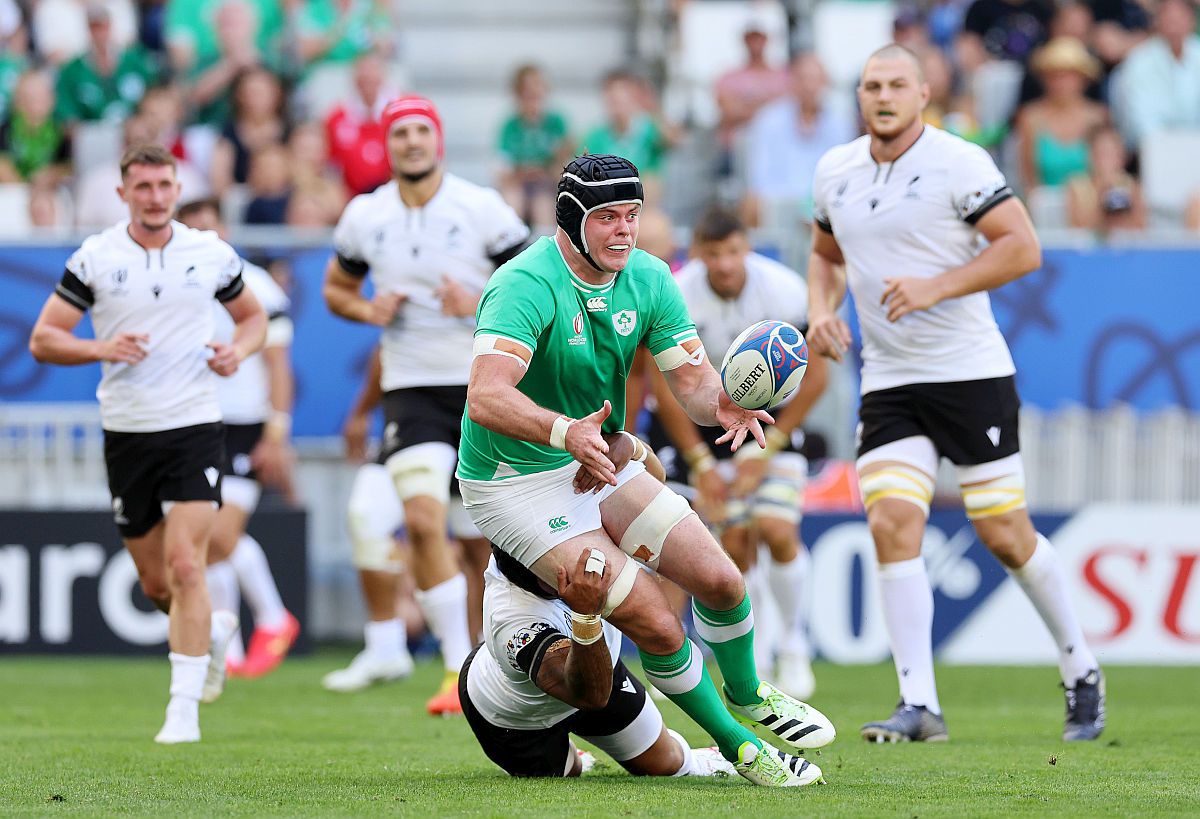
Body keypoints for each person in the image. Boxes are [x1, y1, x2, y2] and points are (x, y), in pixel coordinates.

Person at [456, 152, 834, 788]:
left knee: (721, 581)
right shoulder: (523, 282)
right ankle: (740, 746)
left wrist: (722, 402)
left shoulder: (651, 277)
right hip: (512, 482)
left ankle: (747, 692)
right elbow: (485, 394)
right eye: (607, 217)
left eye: (631, 215)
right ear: (572, 220)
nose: (624, 230)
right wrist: (562, 430)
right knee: (655, 619)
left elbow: (689, 379)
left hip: (596, 457)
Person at [806, 44, 1105, 743]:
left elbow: (1022, 246)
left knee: (1005, 533)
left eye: (896, 84)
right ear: (860, 95)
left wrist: (935, 286)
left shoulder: (960, 161)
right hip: (889, 379)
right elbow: (824, 255)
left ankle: (1080, 665)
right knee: (890, 523)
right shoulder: (835, 171)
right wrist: (822, 310)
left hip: (969, 372)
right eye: (871, 84)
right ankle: (919, 704)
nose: (882, 95)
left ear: (923, 92)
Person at [28, 143, 267, 743]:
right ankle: (209, 633)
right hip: (127, 432)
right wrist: (99, 348)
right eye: (144, 187)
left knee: (188, 563)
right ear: (123, 193)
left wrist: (237, 351)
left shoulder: (207, 252)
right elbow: (43, 339)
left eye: (165, 186)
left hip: (192, 426)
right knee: (158, 585)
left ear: (176, 188)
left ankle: (181, 711)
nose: (156, 197)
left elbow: (253, 319)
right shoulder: (96, 258)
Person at [322, 94, 530, 715]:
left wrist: (479, 299)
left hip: (484, 385)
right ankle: (450, 667)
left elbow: (539, 283)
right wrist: (366, 309)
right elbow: (337, 288)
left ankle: (496, 661)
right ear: (387, 144)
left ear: (436, 139)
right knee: (415, 520)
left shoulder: (480, 208)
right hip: (410, 390)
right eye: (401, 133)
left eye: (422, 130)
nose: (412, 141)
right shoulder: (364, 216)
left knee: (479, 545)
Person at [651, 207, 828, 700]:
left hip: (774, 424)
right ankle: (757, 653)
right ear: (699, 255)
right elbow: (662, 387)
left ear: (747, 247)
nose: (725, 264)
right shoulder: (679, 294)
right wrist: (702, 463)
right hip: (704, 429)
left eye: (733, 251)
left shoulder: (785, 291)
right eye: (713, 254)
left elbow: (816, 375)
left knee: (775, 529)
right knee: (730, 544)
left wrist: (765, 450)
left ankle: (795, 643)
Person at [461, 530, 734, 779]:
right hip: (519, 716)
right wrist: (586, 615)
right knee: (566, 773)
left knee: (669, 764)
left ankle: (717, 755)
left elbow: (650, 479)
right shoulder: (511, 618)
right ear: (532, 567)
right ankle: (573, 758)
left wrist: (615, 472)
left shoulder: (563, 523)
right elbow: (591, 695)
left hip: (597, 664)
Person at [321, 346, 492, 696]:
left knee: (478, 546)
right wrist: (361, 411)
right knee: (372, 516)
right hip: (413, 404)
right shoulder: (390, 293)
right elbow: (382, 332)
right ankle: (392, 649)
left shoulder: (501, 290)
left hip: (480, 396)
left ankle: (484, 655)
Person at [178, 198, 301, 683]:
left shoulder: (256, 284)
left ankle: (272, 619)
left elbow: (277, 364)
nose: (201, 238)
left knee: (220, 536)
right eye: (192, 230)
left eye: (208, 228)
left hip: (244, 425)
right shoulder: (176, 284)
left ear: (223, 230)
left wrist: (276, 431)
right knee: (203, 537)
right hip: (191, 421)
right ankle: (225, 646)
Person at [739, 53, 855, 229]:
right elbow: (759, 179)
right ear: (792, 82)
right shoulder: (769, 119)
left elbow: (842, 175)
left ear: (825, 83)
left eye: (815, 79)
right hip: (778, 205)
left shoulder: (840, 122)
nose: (809, 86)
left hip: (824, 205)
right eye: (803, 79)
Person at [1014, 37, 1107, 193]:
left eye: (1069, 76)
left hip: (1088, 206)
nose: (1061, 83)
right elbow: (1028, 175)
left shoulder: (1098, 116)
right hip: (1044, 205)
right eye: (1055, 76)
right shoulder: (1031, 117)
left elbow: (1105, 170)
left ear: (1083, 79)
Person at [1111, 0, 1200, 151]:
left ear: (1192, 20)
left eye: (1180, 17)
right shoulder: (1138, 62)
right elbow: (1140, 122)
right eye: (1169, 18)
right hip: (1153, 150)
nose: (1174, 24)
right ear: (1157, 21)